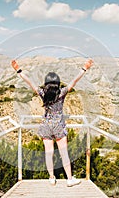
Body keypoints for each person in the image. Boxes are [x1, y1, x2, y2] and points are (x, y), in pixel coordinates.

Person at [11, 59, 93, 187]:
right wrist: (84, 69)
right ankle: (70, 179)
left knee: (49, 153)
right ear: (58, 83)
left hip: (46, 127)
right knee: (64, 153)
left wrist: (18, 70)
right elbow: (74, 81)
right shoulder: (61, 93)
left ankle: (51, 177)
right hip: (59, 126)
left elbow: (29, 82)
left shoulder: (42, 93)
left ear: (46, 83)